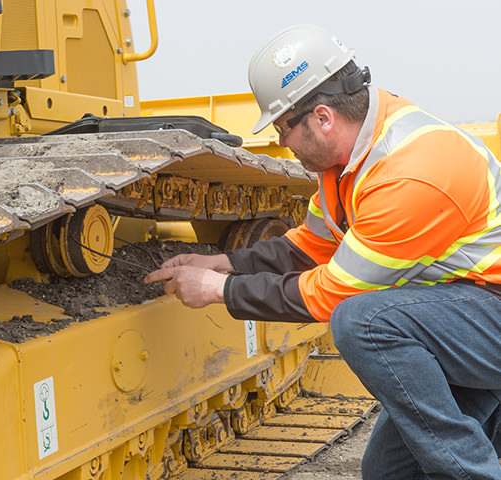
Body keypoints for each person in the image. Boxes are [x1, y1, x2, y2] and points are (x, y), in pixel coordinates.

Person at [144, 24, 501, 479]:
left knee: (363, 321)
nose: (281, 143)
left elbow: (332, 295)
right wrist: (227, 262)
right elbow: (314, 245)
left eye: (281, 128)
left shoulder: (412, 174)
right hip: (458, 319)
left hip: (487, 313)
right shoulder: (350, 161)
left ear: (322, 117)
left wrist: (221, 290)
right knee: (388, 472)